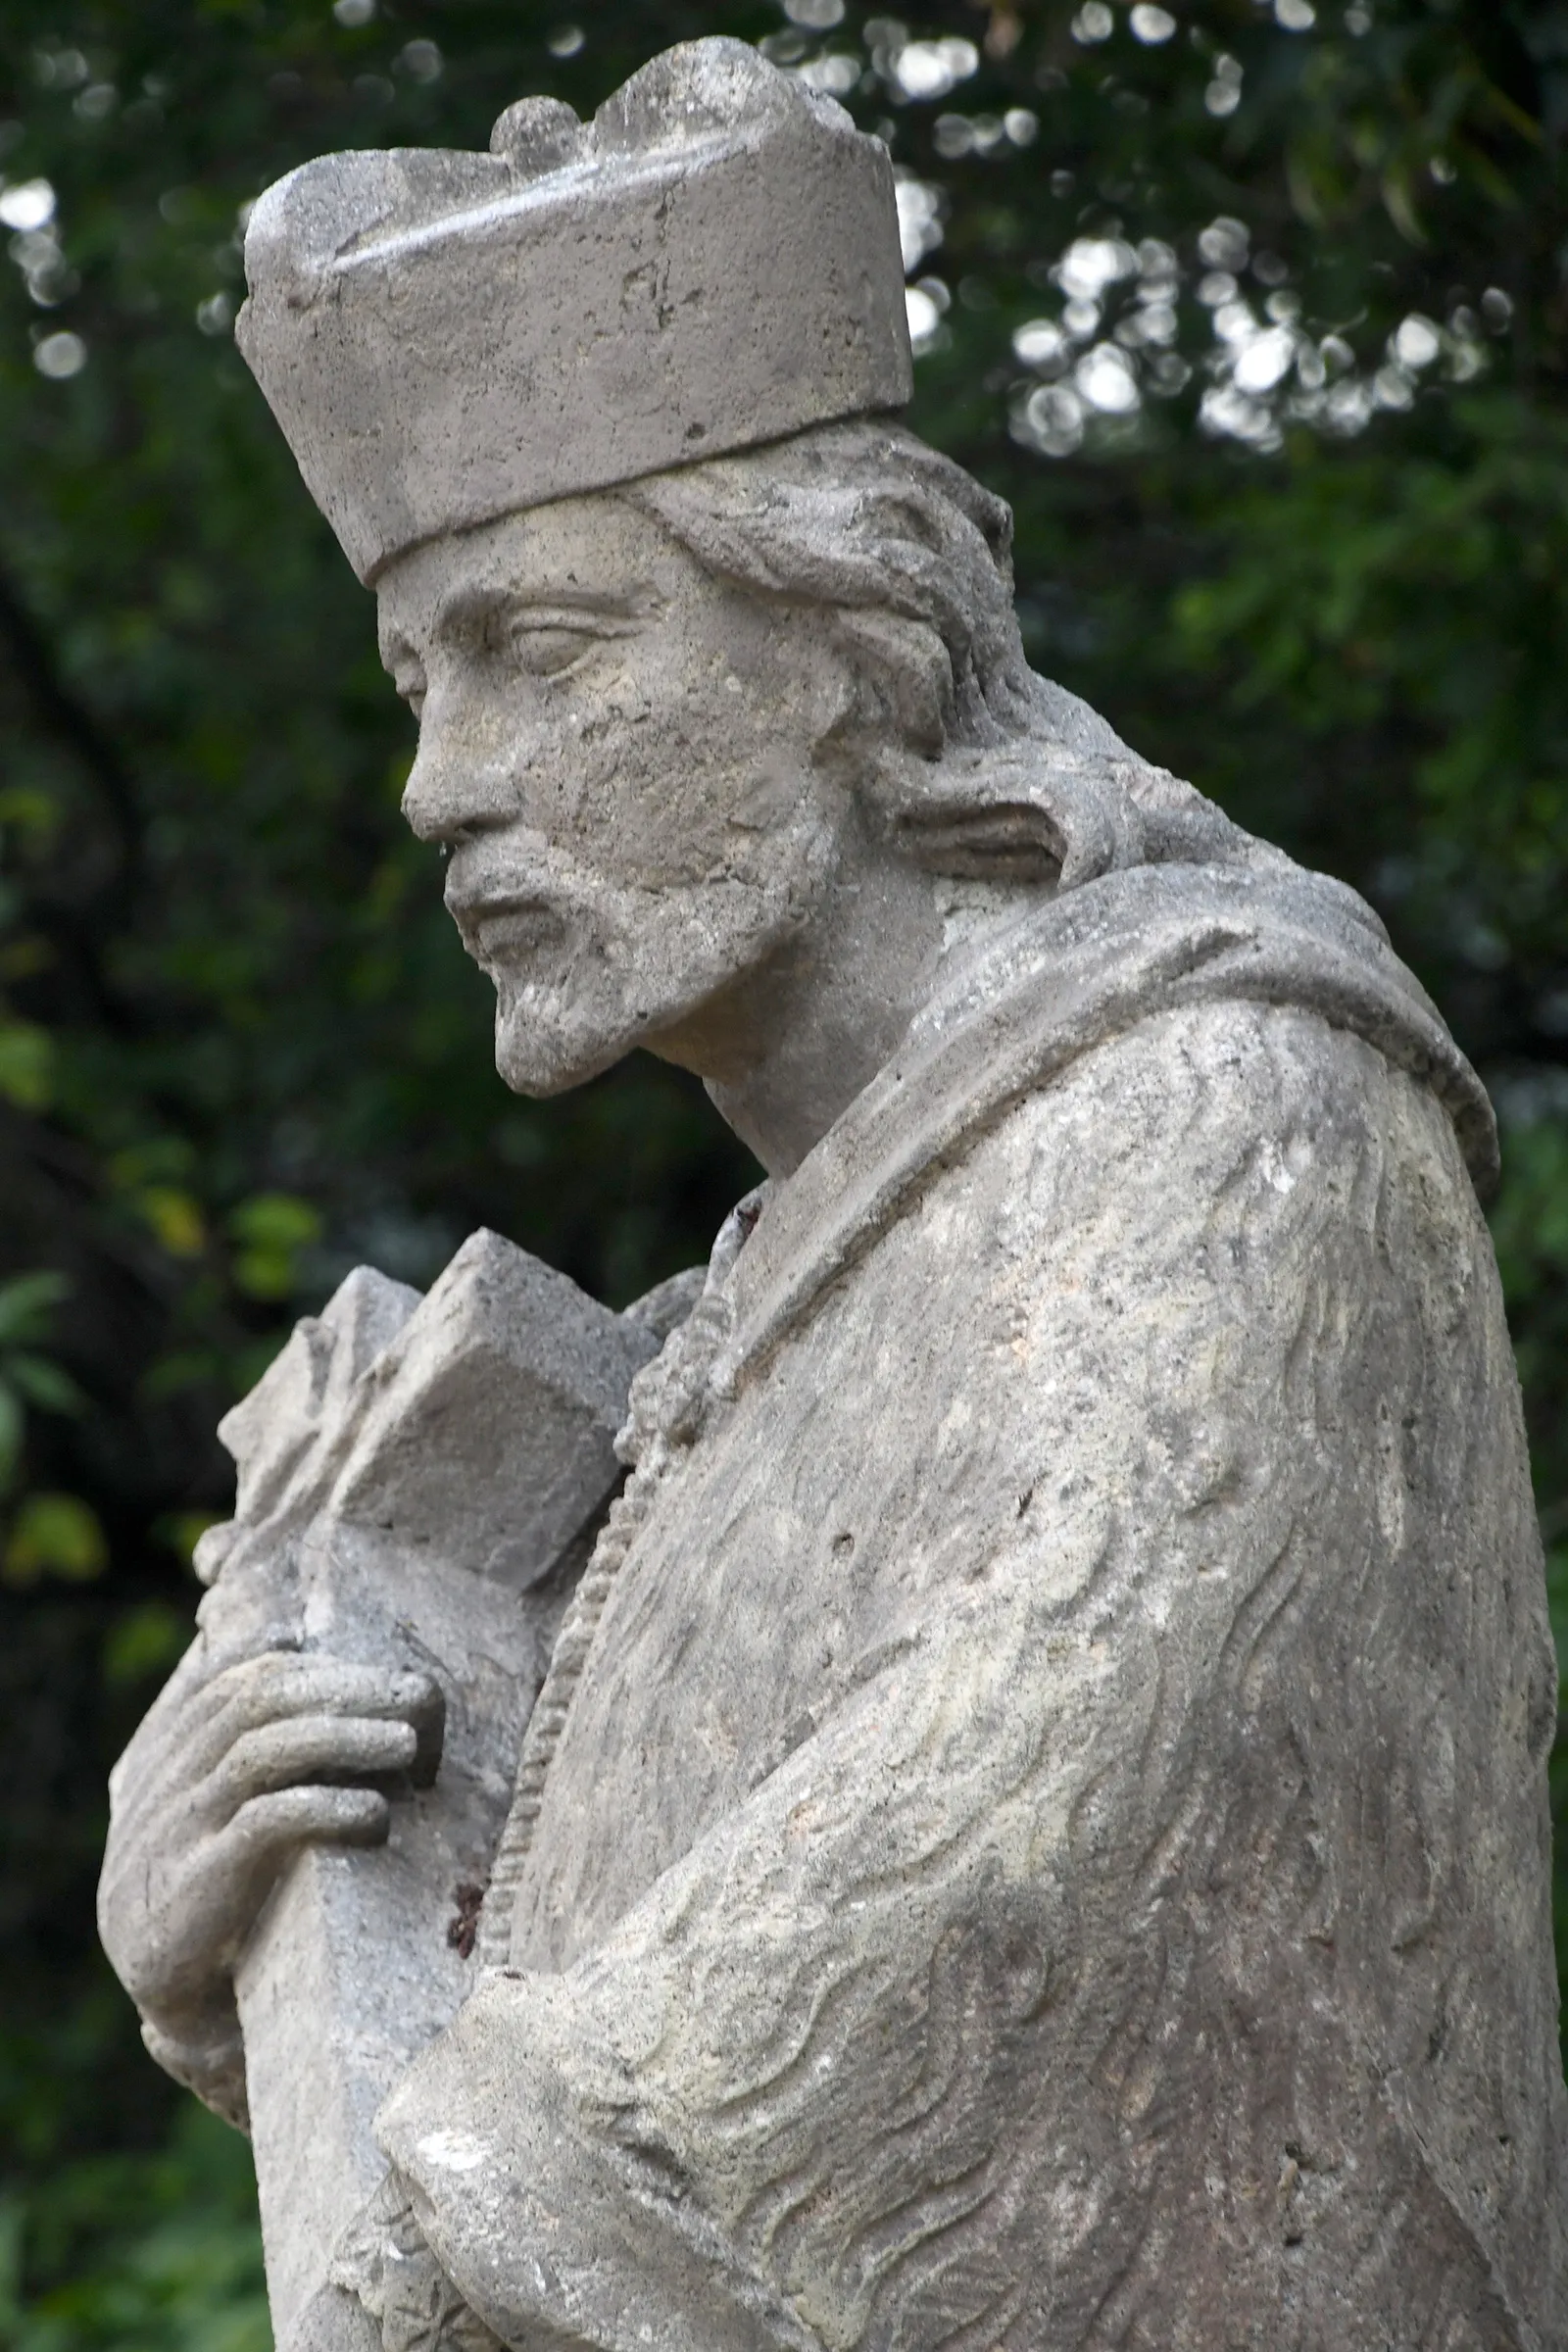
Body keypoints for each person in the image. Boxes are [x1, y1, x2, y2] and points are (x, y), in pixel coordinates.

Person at [98, 39, 1567, 2351]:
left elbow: (821, 2045)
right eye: (408, 681)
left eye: (537, 650)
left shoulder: (1214, 1133)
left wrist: (404, 2116)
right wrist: (226, 1912)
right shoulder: (718, 1344)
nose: (435, 787)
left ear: (852, 647)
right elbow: (531, 2032)